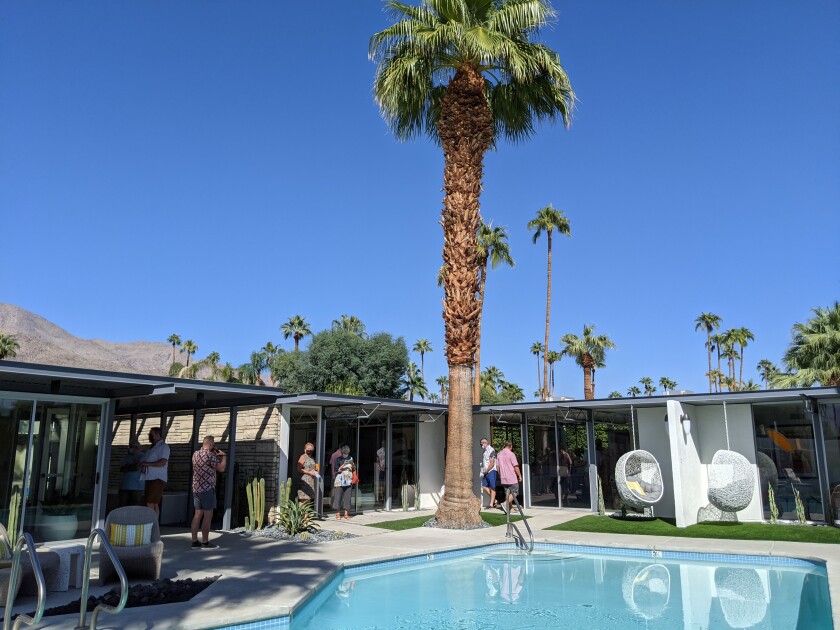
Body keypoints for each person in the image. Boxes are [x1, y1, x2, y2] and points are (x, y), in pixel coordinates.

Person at [190, 435, 227, 549]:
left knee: (197, 515)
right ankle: (205, 542)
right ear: (211, 444)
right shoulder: (210, 455)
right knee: (207, 515)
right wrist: (224, 456)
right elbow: (221, 468)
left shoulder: (195, 454)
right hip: (207, 489)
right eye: (213, 444)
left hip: (196, 488)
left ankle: (194, 541)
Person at [141, 427, 170, 520]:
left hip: (157, 477)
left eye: (152, 433)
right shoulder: (152, 447)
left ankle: (151, 522)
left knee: (150, 501)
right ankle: (154, 522)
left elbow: (162, 462)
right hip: (149, 477)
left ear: (157, 434)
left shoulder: (163, 447)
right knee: (153, 502)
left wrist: (147, 464)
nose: (150, 435)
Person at [496, 441, 523, 513]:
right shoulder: (511, 454)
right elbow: (516, 466)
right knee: (515, 492)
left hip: (503, 477)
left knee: (508, 493)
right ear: (510, 446)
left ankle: (510, 509)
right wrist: (519, 475)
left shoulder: (499, 454)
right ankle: (505, 504)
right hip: (511, 476)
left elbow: (498, 467)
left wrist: (500, 475)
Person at [119, 438, 145, 507]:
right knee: (122, 505)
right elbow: (122, 468)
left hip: (137, 486)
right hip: (124, 486)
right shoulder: (127, 456)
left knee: (134, 506)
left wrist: (128, 467)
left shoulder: (142, 456)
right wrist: (132, 466)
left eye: (131, 447)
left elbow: (138, 467)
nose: (129, 449)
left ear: (136, 448)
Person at [331, 444, 355, 520]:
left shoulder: (351, 458)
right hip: (340, 480)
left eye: (347, 452)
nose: (346, 453)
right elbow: (336, 469)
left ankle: (346, 513)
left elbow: (353, 469)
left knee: (347, 497)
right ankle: (338, 513)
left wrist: (352, 465)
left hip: (348, 480)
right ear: (342, 452)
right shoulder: (338, 459)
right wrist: (343, 465)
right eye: (344, 452)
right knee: (338, 496)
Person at [479, 437, 498, 509]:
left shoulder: (491, 450)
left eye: (481, 444)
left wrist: (486, 471)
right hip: (486, 471)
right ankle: (495, 500)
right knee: (484, 486)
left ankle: (491, 504)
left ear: (485, 443)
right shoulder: (484, 451)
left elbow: (492, 463)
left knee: (492, 487)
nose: (481, 445)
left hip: (491, 471)